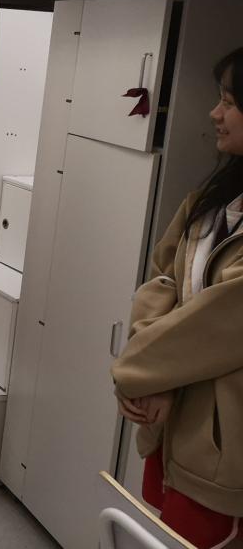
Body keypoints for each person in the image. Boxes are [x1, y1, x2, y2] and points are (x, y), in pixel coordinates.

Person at [112, 48, 243, 549]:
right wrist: (154, 379)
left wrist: (138, 371)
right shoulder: (213, 199)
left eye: (228, 101)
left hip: (222, 444)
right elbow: (162, 281)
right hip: (178, 420)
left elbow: (219, 325)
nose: (214, 113)